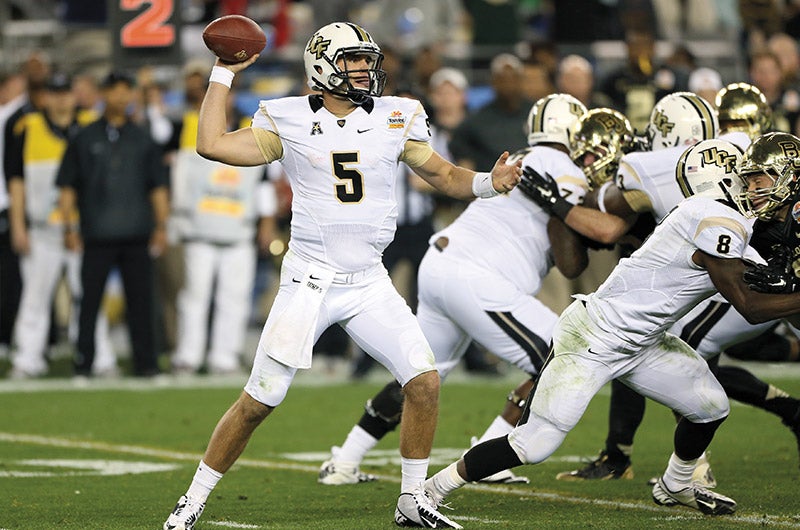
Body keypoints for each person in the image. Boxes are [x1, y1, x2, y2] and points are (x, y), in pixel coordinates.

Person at [162, 22, 522, 530]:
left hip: (369, 281)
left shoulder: (397, 115)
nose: (364, 69)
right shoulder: (285, 117)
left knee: (423, 382)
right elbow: (213, 145)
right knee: (259, 401)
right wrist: (222, 72)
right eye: (353, 60)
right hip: (310, 279)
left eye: (367, 60)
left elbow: (442, 174)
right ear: (322, 65)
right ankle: (191, 502)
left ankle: (412, 500)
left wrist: (489, 182)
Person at [425, 135, 800, 516]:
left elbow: (762, 278)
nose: (752, 189)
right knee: (532, 444)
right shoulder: (714, 218)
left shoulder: (730, 223)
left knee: (710, 407)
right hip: (595, 335)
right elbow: (750, 306)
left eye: (758, 180)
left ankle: (677, 484)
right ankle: (430, 490)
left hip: (644, 341)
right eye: (747, 180)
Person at [318, 93, 594, 487]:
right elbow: (574, 246)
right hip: (478, 279)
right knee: (562, 356)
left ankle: (345, 460)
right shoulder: (563, 168)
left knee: (417, 376)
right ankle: (489, 454)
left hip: (442, 263)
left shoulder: (523, 157)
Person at [56, 71, 169, 378]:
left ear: (132, 95)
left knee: (141, 302)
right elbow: (68, 186)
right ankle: (84, 362)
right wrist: (68, 227)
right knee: (89, 302)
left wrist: (161, 226)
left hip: (136, 233)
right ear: (103, 93)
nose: (121, 97)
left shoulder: (143, 138)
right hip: (96, 233)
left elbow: (157, 186)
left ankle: (146, 364)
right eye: (114, 91)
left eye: (125, 91)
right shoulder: (84, 137)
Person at [168, 65, 277, 376]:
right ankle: (188, 356)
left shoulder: (252, 129)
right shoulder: (187, 125)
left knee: (234, 298)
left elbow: (264, 180)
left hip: (239, 229)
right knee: (194, 297)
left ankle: (223, 357)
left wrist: (266, 223)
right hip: (198, 229)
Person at [6, 73, 115, 378]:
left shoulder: (94, 124)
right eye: (53, 92)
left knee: (91, 297)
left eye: (65, 92)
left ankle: (100, 357)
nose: (60, 99)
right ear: (45, 97)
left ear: (73, 94)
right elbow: (15, 183)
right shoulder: (27, 128)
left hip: (86, 230)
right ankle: (28, 359)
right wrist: (18, 225)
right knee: (35, 297)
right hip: (42, 229)